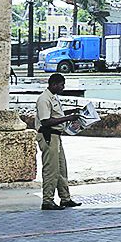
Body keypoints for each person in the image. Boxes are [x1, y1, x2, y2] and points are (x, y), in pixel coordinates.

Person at [35, 73, 83, 210]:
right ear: (54, 84)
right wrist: (67, 118)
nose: (63, 87)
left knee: (61, 168)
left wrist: (72, 113)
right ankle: (47, 200)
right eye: (62, 85)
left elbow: (57, 115)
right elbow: (45, 121)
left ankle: (65, 198)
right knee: (51, 169)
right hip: (48, 136)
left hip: (56, 136)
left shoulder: (54, 98)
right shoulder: (44, 99)